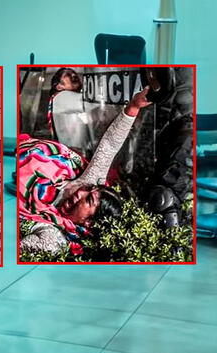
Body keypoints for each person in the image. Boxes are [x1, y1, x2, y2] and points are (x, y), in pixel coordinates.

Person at [19, 86, 152, 254]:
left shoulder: (54, 236)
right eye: (88, 190)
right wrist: (134, 106)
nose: (80, 193)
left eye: (88, 200)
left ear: (89, 223)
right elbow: (110, 145)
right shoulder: (89, 181)